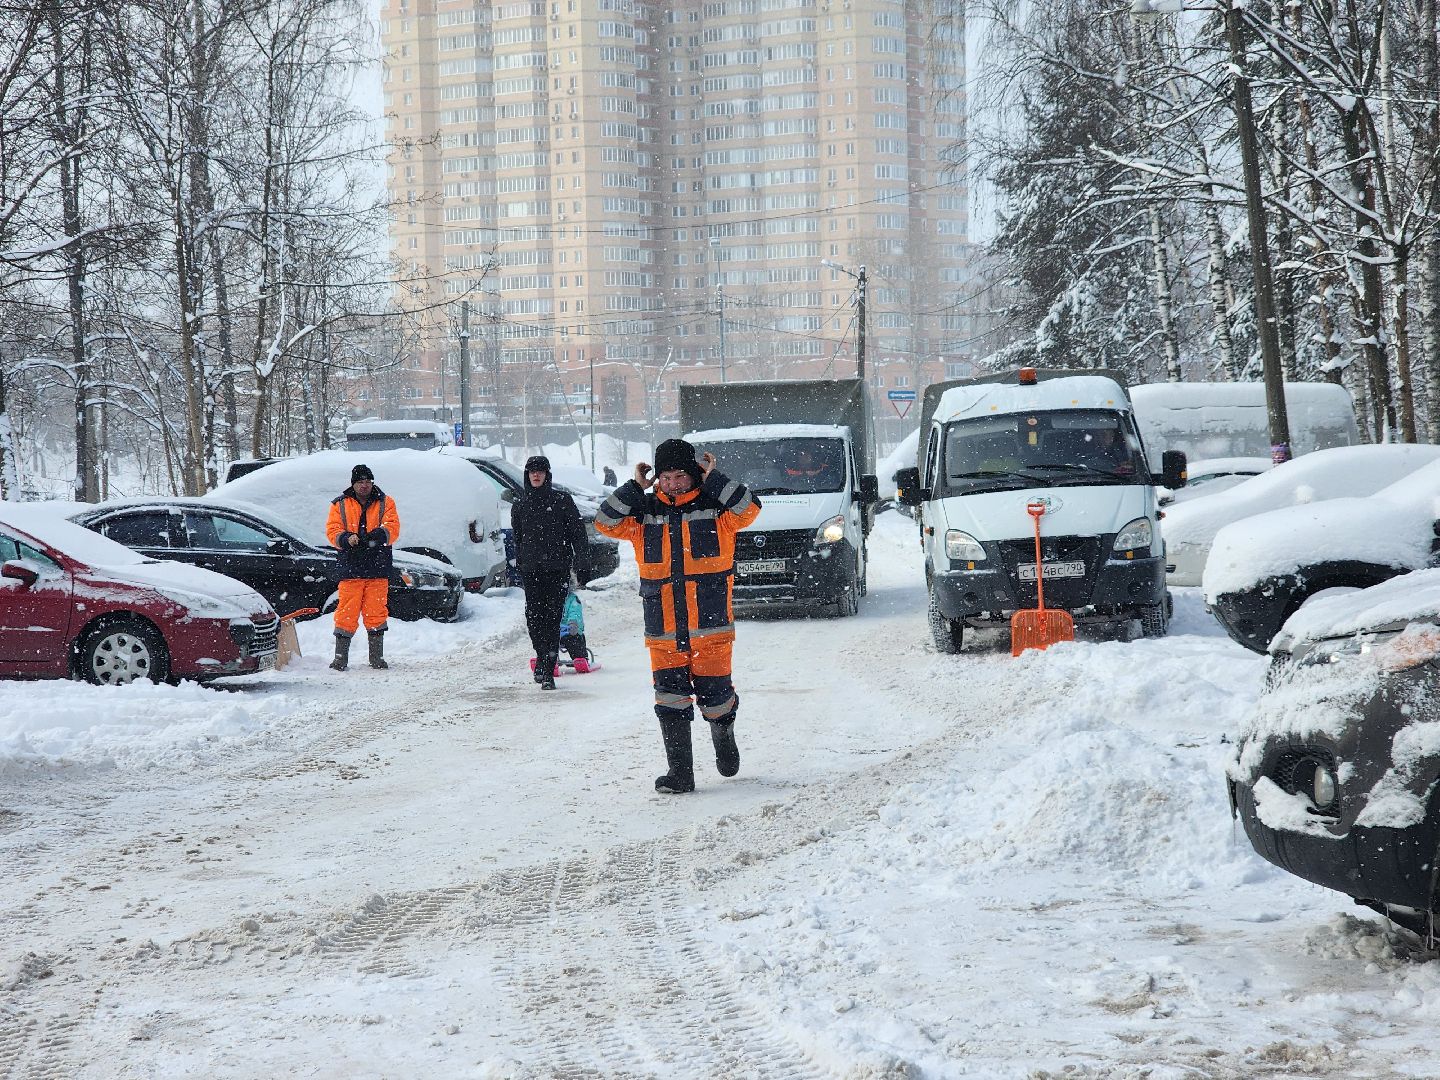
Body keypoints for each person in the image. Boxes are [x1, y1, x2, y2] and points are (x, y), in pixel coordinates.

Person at [593, 437, 761, 793]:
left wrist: (715, 479)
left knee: (716, 701)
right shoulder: (644, 514)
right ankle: (681, 775)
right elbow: (604, 522)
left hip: (711, 630)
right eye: (665, 477)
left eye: (680, 476)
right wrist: (634, 487)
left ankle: (723, 734)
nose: (672, 483)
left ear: (694, 475)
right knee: (669, 701)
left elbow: (750, 509)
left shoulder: (716, 510)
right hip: (663, 631)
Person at [511, 454, 590, 690]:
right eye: (532, 471)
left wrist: (582, 563)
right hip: (531, 570)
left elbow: (578, 533)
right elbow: (518, 539)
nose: (536, 475)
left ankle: (547, 665)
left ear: (547, 475)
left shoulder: (561, 501)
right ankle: (542, 656)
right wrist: (520, 564)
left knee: (553, 617)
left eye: (540, 471)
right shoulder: (520, 505)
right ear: (527, 475)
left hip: (557, 569)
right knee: (534, 618)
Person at [325, 463, 400, 671]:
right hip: (351, 568)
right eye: (360, 482)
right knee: (346, 613)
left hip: (378, 567)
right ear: (353, 484)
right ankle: (340, 659)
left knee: (376, 612)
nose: (364, 485)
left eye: (367, 481)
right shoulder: (339, 504)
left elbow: (393, 527)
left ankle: (376, 658)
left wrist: (379, 535)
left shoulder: (386, 502)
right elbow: (332, 530)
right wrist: (346, 538)